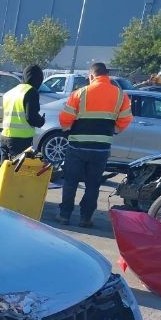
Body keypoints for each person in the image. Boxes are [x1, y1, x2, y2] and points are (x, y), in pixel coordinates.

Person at [58, 62, 133, 227]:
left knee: (70, 182)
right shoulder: (120, 95)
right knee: (93, 185)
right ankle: (86, 218)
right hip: (101, 148)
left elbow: (65, 119)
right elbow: (125, 120)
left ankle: (65, 216)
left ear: (91, 76)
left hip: (77, 147)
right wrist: (114, 129)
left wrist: (68, 129)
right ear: (107, 76)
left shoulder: (80, 93)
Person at [0, 65, 46, 163]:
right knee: (18, 172)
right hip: (20, 140)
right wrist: (41, 121)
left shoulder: (10, 92)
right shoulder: (31, 91)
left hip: (5, 136)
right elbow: (31, 117)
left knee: (5, 169)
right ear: (38, 79)